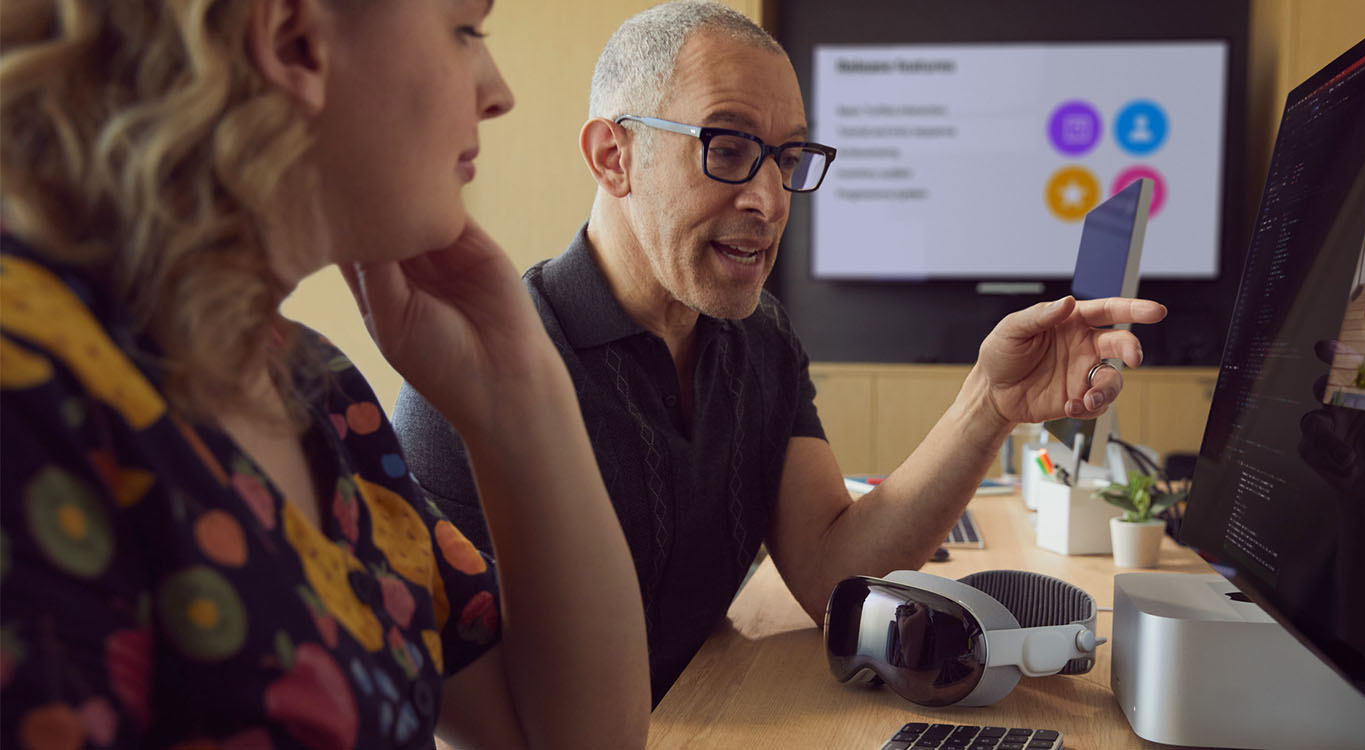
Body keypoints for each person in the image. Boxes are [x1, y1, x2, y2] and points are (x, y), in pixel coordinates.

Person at [393, 0, 1166, 705]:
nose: (769, 200)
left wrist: (988, 405)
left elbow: (834, 577)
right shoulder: (472, 375)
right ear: (613, 157)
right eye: (728, 149)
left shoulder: (760, 338)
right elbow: (470, 703)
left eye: (788, 160)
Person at [0, 0, 649, 747]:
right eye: (465, 30)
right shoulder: (26, 397)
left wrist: (517, 391)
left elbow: (580, 738)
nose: (497, 93)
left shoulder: (318, 390)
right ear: (293, 42)